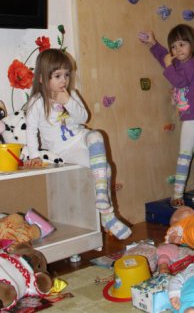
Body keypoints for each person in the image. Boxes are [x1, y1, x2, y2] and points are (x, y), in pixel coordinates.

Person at [24, 48, 131, 240]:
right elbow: (30, 131)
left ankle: (101, 198)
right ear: (41, 78)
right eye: (57, 76)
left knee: (96, 135)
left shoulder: (70, 94)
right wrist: (34, 156)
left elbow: (83, 118)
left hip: (81, 137)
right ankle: (107, 216)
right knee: (105, 169)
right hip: (64, 150)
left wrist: (68, 101)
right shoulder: (37, 102)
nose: (63, 80)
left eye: (66, 75)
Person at [138, 24, 194, 208]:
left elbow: (179, 81)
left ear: (192, 44)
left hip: (193, 120)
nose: (177, 49)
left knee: (184, 156)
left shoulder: (192, 64)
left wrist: (168, 65)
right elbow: (165, 59)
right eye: (174, 46)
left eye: (182, 44)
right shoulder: (182, 63)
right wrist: (154, 44)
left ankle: (177, 195)